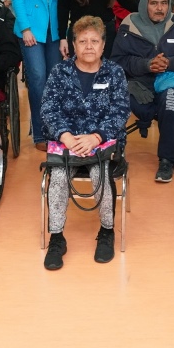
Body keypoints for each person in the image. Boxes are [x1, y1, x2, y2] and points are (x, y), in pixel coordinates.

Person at [40, 16, 130, 269]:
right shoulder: (60, 72)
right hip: (66, 142)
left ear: (103, 45)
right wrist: (66, 136)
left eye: (94, 41)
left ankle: (107, 231)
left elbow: (121, 110)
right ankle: (57, 238)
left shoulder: (114, 73)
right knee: (58, 177)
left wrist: (96, 137)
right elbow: (48, 108)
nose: (89, 46)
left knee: (100, 174)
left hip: (102, 143)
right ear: (74, 45)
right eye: (82, 41)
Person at [111, 0, 174, 182]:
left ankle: (167, 161)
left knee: (170, 102)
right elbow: (118, 60)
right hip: (137, 84)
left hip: (169, 82)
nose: (159, 8)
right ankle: (115, 155)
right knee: (114, 101)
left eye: (164, 3)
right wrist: (147, 65)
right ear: (145, 5)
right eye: (154, 3)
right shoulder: (129, 25)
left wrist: (169, 63)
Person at [11, 0, 70, 151]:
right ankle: (40, 133)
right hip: (30, 29)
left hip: (54, 29)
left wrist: (65, 32)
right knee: (37, 78)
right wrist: (25, 28)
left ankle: (56, 130)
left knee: (54, 81)